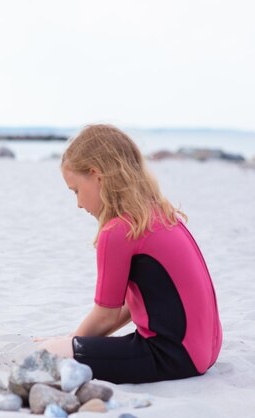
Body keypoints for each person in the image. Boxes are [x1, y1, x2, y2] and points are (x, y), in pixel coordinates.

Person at [36, 124, 222, 383]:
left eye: (76, 190)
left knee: (46, 352)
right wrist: (77, 341)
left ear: (96, 175)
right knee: (67, 346)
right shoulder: (162, 215)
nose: (78, 203)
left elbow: (105, 316)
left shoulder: (117, 231)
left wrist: (69, 344)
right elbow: (128, 308)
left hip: (170, 355)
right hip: (205, 351)